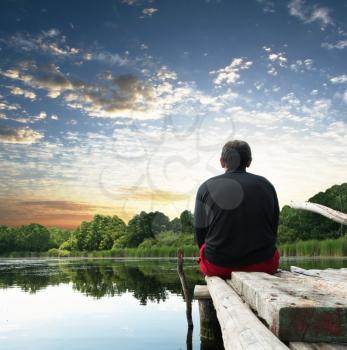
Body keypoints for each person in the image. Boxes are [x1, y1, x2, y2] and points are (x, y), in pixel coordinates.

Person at [194, 140, 280, 279]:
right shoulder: (267, 185)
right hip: (264, 265)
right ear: (249, 162)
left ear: (222, 162)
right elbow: (273, 227)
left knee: (205, 249)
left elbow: (199, 233)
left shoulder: (205, 187)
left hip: (218, 266)